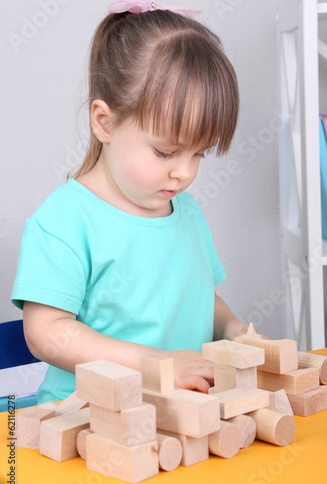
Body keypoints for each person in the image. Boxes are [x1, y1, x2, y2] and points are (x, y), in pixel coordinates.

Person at [11, 0, 247, 404]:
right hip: (86, 423)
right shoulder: (66, 220)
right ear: (105, 122)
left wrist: (236, 331)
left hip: (174, 418)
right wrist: (155, 363)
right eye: (165, 152)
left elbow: (199, 299)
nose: (185, 173)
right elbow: (46, 334)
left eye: (199, 154)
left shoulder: (185, 210)